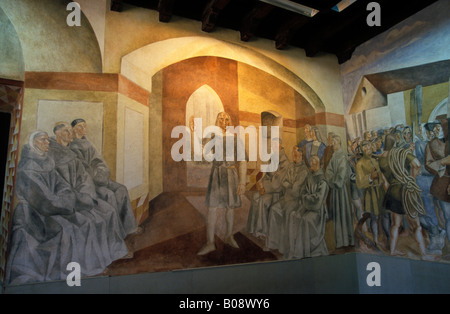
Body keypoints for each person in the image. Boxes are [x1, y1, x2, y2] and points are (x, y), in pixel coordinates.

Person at [5, 131, 129, 285]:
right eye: (42, 140)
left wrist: (67, 198)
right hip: (36, 215)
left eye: (47, 140)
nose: (47, 143)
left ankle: (90, 265)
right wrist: (66, 203)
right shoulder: (27, 170)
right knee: (70, 229)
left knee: (87, 221)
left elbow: (62, 186)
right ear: (33, 143)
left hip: (58, 206)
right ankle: (73, 272)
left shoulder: (46, 162)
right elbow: (44, 201)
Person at [70, 118, 140, 237]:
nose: (84, 129)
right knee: (109, 195)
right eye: (80, 126)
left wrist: (102, 172)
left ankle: (129, 228)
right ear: (73, 129)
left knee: (121, 189)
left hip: (99, 177)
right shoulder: (72, 146)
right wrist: (96, 176)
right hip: (89, 182)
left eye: (84, 126)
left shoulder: (88, 143)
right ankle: (116, 235)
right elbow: (82, 169)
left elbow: (99, 161)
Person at [198, 112, 247, 255]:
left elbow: (243, 161)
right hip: (216, 174)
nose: (224, 121)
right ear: (217, 121)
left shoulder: (236, 139)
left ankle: (229, 236)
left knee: (230, 208)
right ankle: (210, 243)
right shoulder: (213, 137)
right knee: (212, 208)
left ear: (230, 122)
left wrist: (242, 183)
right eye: (221, 118)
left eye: (227, 119)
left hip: (231, 174)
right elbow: (204, 156)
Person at [378, 133, 431, 259]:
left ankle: (392, 251)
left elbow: (384, 182)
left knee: (395, 224)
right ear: (395, 142)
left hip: (392, 191)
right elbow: (417, 164)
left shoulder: (381, 158)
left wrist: (392, 191)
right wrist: (412, 178)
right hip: (406, 190)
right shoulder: (401, 153)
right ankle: (423, 254)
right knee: (416, 225)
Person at [266, 146, 309, 255]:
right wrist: (290, 185)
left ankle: (285, 248)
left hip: (296, 201)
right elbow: (283, 182)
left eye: (295, 154)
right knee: (273, 209)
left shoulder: (304, 171)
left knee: (287, 214)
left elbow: (295, 189)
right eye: (293, 154)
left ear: (301, 155)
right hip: (286, 198)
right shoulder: (291, 166)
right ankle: (272, 243)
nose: (293, 156)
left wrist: (289, 186)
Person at [246, 136, 290, 240]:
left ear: (281, 146)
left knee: (262, 199)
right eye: (272, 145)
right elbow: (267, 175)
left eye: (275, 145)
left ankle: (263, 231)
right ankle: (253, 228)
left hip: (278, 193)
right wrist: (260, 184)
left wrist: (264, 187)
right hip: (269, 189)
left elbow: (277, 183)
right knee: (255, 196)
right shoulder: (273, 158)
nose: (273, 147)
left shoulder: (285, 162)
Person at [287, 155, 329, 259]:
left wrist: (306, 198)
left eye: (314, 162)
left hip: (317, 211)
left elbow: (318, 200)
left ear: (319, 164)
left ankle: (305, 252)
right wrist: (306, 197)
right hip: (306, 206)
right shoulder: (310, 176)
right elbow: (303, 191)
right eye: (311, 161)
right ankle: (295, 251)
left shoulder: (322, 181)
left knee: (306, 220)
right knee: (293, 215)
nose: (312, 164)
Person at [416, 123, 445, 254]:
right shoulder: (418, 145)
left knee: (442, 210)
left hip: (439, 180)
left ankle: (441, 233)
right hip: (425, 181)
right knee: (428, 210)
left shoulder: (442, 143)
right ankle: (435, 238)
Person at [355, 140, 389, 249]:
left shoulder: (375, 160)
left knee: (385, 215)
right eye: (365, 148)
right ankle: (375, 241)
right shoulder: (360, 164)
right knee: (374, 217)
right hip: (371, 192)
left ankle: (388, 238)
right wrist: (370, 177)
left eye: (369, 147)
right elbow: (359, 183)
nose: (368, 149)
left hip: (380, 191)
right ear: (362, 150)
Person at [425, 117, 450, 252]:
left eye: (440, 126)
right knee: (447, 217)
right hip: (443, 184)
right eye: (436, 127)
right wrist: (442, 163)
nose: (438, 129)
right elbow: (428, 164)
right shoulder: (432, 144)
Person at [325, 135, 354, 249]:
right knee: (337, 213)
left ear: (339, 143)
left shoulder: (342, 156)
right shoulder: (334, 156)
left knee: (342, 212)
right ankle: (340, 241)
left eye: (335, 143)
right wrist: (331, 179)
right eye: (332, 143)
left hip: (341, 190)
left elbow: (341, 174)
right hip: (335, 190)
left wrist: (333, 181)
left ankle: (345, 240)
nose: (333, 146)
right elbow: (328, 171)